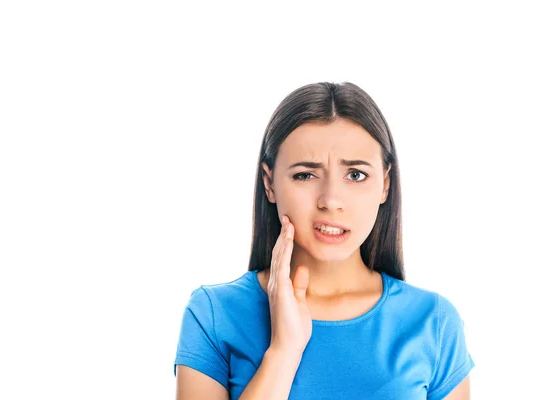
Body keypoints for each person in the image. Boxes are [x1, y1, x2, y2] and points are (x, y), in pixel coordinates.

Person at [173, 81, 475, 399]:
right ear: (269, 183)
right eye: (305, 174)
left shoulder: (434, 321)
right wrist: (284, 351)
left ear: (385, 184)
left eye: (356, 174)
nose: (331, 200)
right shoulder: (213, 314)